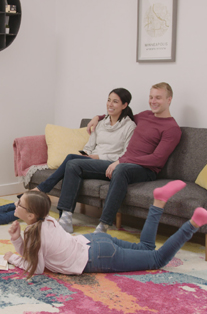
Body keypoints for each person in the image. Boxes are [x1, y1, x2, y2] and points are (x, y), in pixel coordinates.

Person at [4, 183, 207, 278]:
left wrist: (14, 257)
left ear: (31, 216)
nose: (16, 205)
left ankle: (193, 223)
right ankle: (158, 202)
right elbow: (35, 251)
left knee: (157, 260)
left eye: (19, 203)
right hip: (95, 240)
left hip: (97, 256)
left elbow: (38, 267)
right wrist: (17, 239)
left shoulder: (35, 234)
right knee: (146, 248)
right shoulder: (47, 221)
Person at [57, 82, 182, 234]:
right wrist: (98, 117)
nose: (153, 101)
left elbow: (157, 159)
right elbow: (119, 115)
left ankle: (103, 225)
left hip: (145, 170)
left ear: (169, 100)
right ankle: (66, 217)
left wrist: (122, 161)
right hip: (122, 163)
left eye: (158, 98)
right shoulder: (144, 116)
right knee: (74, 164)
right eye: (151, 97)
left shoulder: (172, 128)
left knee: (121, 169)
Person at [33, 88, 136, 198]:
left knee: (71, 158)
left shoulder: (130, 126)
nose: (110, 104)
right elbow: (89, 146)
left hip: (110, 164)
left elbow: (126, 155)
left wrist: (98, 157)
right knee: (72, 161)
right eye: (109, 100)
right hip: (91, 161)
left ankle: (43, 188)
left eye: (115, 101)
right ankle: (63, 211)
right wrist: (86, 153)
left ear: (124, 105)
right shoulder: (101, 123)